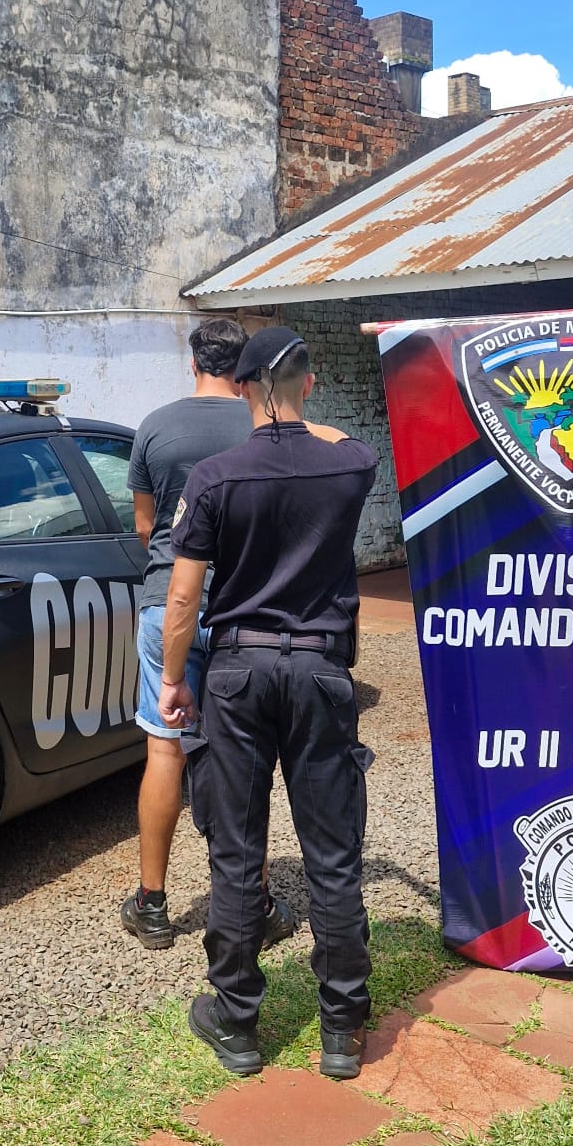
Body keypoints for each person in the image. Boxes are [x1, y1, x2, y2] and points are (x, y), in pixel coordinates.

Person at [159, 326, 377, 1080]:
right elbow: (335, 435)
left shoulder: (216, 477)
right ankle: (343, 1029)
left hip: (239, 673)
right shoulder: (349, 464)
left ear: (243, 388)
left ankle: (237, 1022)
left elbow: (184, 596)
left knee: (235, 852)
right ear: (310, 385)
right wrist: (291, 407)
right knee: (333, 856)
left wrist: (172, 678)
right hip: (320, 673)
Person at [120, 318, 296, 952]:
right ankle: (258, 898)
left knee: (165, 748)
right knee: (241, 755)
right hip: (244, 609)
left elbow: (146, 528)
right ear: (244, 366)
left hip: (168, 602)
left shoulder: (156, 427)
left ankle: (153, 903)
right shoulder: (260, 422)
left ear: (191, 360)